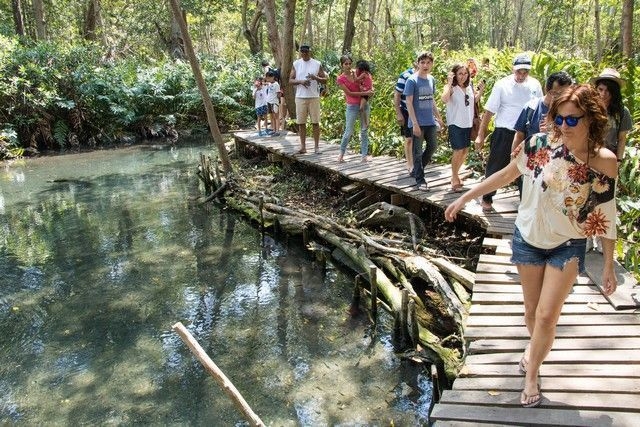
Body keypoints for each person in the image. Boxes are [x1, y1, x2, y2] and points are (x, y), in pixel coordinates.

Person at [445, 84, 618, 408]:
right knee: (531, 314)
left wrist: (608, 264)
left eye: (572, 120)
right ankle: (533, 349)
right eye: (560, 119)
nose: (564, 126)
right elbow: (506, 175)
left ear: (591, 119)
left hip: (568, 243)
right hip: (528, 238)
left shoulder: (604, 161)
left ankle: (532, 374)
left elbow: (604, 214)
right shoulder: (539, 145)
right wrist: (466, 197)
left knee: (546, 315)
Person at [474, 53, 542, 212]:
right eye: (519, 71)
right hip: (504, 132)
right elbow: (489, 111)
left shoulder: (535, 85)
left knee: (526, 167)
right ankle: (487, 197)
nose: (522, 75)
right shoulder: (502, 85)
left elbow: (540, 107)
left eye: (525, 71)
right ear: (513, 69)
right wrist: (480, 135)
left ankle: (525, 202)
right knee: (496, 166)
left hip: (526, 134)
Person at [511, 71, 574, 197]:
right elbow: (519, 135)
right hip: (530, 166)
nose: (562, 97)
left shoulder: (571, 112)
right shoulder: (531, 107)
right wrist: (513, 161)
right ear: (547, 90)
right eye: (557, 93)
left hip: (558, 169)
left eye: (566, 93)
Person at [403, 51, 445, 191]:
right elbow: (408, 102)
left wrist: (438, 116)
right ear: (418, 63)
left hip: (430, 121)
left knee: (433, 146)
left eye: (428, 62)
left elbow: (431, 99)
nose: (425, 65)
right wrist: (414, 123)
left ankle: (416, 170)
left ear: (432, 64)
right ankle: (420, 180)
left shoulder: (431, 79)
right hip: (417, 122)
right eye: (422, 62)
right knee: (417, 151)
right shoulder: (412, 80)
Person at [441, 63, 475, 192]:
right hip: (455, 123)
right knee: (458, 150)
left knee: (465, 151)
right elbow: (444, 99)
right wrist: (449, 83)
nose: (463, 76)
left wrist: (481, 91)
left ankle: (457, 174)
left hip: (467, 123)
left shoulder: (469, 87)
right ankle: (454, 178)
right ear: (455, 75)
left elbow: (473, 101)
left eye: (465, 73)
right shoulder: (451, 87)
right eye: (460, 73)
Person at [289, 44, 328, 154]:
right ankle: (303, 147)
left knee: (315, 122)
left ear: (310, 52)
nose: (304, 54)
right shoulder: (296, 64)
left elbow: (325, 80)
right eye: (303, 52)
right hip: (300, 97)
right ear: (300, 52)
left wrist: (315, 77)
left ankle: (316, 147)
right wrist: (301, 81)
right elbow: (290, 80)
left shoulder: (317, 64)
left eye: (306, 52)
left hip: (314, 97)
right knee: (301, 123)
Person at [336, 55, 374, 163]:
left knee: (364, 130)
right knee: (348, 131)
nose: (348, 66)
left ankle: (364, 156)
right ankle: (341, 155)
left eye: (349, 63)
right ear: (342, 65)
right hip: (352, 106)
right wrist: (365, 93)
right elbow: (349, 93)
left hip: (364, 105)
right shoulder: (341, 79)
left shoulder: (357, 72)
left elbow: (368, 81)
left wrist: (370, 91)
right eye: (345, 64)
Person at [590, 68, 632, 162]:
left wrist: (618, 160)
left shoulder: (622, 112)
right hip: (588, 155)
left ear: (615, 92)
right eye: (600, 89)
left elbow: (621, 139)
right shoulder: (588, 108)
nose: (603, 94)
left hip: (609, 157)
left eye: (608, 91)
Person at [393, 62, 416, 171]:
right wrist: (398, 113)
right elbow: (397, 94)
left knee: (418, 138)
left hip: (420, 112)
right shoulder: (405, 76)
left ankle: (417, 162)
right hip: (406, 111)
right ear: (415, 63)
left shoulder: (426, 75)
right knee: (409, 138)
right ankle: (409, 164)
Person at [354, 60, 373, 128]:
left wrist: (354, 73)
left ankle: (366, 122)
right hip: (366, 92)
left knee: (361, 108)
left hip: (366, 93)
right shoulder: (368, 74)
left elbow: (356, 79)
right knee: (363, 108)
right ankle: (366, 122)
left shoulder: (364, 73)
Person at [265, 70, 281, 136]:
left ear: (272, 77)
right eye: (267, 78)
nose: (267, 79)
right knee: (271, 116)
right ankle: (273, 129)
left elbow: (278, 94)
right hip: (269, 101)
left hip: (274, 102)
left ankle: (277, 131)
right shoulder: (269, 84)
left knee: (276, 116)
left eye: (268, 78)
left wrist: (278, 99)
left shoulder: (276, 84)